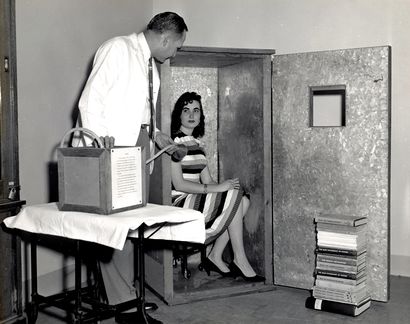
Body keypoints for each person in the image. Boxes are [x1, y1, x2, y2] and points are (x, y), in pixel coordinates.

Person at [74, 12, 188, 307]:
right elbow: (90, 101)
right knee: (115, 226)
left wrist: (158, 135)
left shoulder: (151, 64)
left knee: (129, 225)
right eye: (176, 46)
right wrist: (101, 143)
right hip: (109, 148)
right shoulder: (117, 49)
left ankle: (125, 293)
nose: (175, 52)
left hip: (136, 148)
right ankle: (122, 299)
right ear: (165, 38)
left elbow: (138, 114)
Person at [170, 91, 265, 282]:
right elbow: (179, 184)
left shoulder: (198, 145)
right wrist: (220, 189)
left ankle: (215, 255)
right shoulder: (174, 144)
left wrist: (227, 186)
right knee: (233, 196)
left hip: (196, 199)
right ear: (178, 115)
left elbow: (208, 180)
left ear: (201, 116)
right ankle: (240, 259)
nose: (191, 115)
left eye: (196, 110)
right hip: (179, 202)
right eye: (186, 110)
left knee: (242, 201)